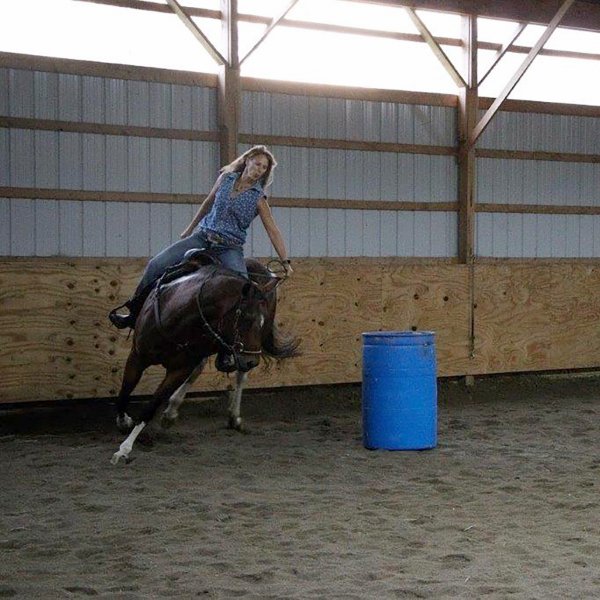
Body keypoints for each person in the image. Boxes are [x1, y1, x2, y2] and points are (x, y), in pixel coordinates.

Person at [109, 145, 293, 330]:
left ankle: (232, 347)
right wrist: (189, 229)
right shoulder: (225, 178)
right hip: (203, 237)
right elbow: (208, 202)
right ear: (247, 160)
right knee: (155, 264)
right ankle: (133, 314)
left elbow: (273, 231)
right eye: (257, 164)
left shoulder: (258, 199)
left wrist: (285, 261)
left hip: (229, 248)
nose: (259, 170)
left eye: (263, 168)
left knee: (242, 289)